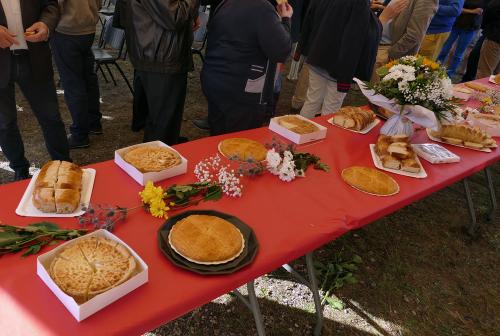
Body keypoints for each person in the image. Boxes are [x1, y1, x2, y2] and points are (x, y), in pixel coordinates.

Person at [299, 0, 408, 119]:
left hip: (319, 53)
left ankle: (298, 134)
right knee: (331, 109)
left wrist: (367, 13)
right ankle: (317, 136)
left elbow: (336, 15)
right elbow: (358, 37)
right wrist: (383, 18)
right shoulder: (359, 3)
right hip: (339, 64)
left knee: (312, 101)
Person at [0, 0, 71, 181]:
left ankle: (63, 165)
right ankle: (20, 169)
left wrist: (46, 24)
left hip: (34, 57)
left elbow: (51, 6)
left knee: (51, 118)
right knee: (4, 124)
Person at [201, 0, 293, 135]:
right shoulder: (262, 8)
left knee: (219, 135)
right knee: (238, 142)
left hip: (216, 81)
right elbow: (281, 50)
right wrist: (286, 20)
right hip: (241, 90)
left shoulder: (227, 3)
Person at [122, 0, 199, 145]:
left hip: (158, 52)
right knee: (163, 121)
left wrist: (192, 13)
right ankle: (160, 155)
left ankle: (164, 143)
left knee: (161, 118)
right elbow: (175, 16)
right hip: (161, 55)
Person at [50, 0, 102, 149]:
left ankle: (80, 134)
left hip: (67, 28)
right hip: (88, 28)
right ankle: (94, 123)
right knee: (88, 78)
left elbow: (54, 4)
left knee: (73, 83)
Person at [372, 0, 438, 81]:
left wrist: (391, 54)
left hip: (386, 53)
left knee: (372, 90)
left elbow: (414, 35)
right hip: (373, 43)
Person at [437, 0, 487, 78]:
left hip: (471, 28)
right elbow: (456, 9)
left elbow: (481, 12)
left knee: (459, 53)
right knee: (445, 49)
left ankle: (449, 75)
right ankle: (436, 68)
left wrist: (467, 11)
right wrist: (472, 11)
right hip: (456, 24)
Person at [476, 0, 500, 78]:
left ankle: (479, 90)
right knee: (497, 76)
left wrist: (486, 28)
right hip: (495, 37)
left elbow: (488, 13)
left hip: (494, 39)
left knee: (484, 73)